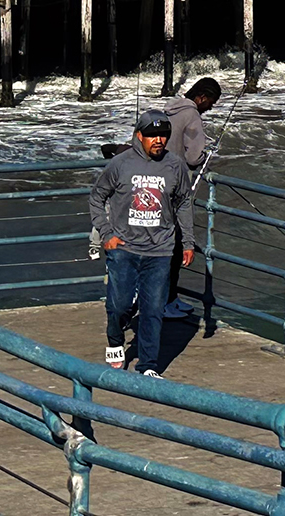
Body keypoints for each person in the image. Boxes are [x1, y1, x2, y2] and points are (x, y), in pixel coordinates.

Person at [90, 111, 194, 376]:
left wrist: (188, 242)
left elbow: (183, 203)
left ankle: (148, 365)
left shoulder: (175, 165)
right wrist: (106, 234)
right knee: (119, 305)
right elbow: (97, 198)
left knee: (153, 311)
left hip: (160, 251)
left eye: (163, 135)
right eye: (151, 135)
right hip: (124, 248)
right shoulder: (120, 164)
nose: (158, 140)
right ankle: (115, 339)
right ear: (139, 136)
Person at [159, 77, 224, 319]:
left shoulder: (168, 109)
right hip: (175, 189)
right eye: (211, 103)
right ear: (202, 98)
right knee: (175, 247)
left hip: (156, 185)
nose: (211, 108)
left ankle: (167, 298)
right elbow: (194, 158)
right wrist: (206, 154)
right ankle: (166, 301)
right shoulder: (192, 116)